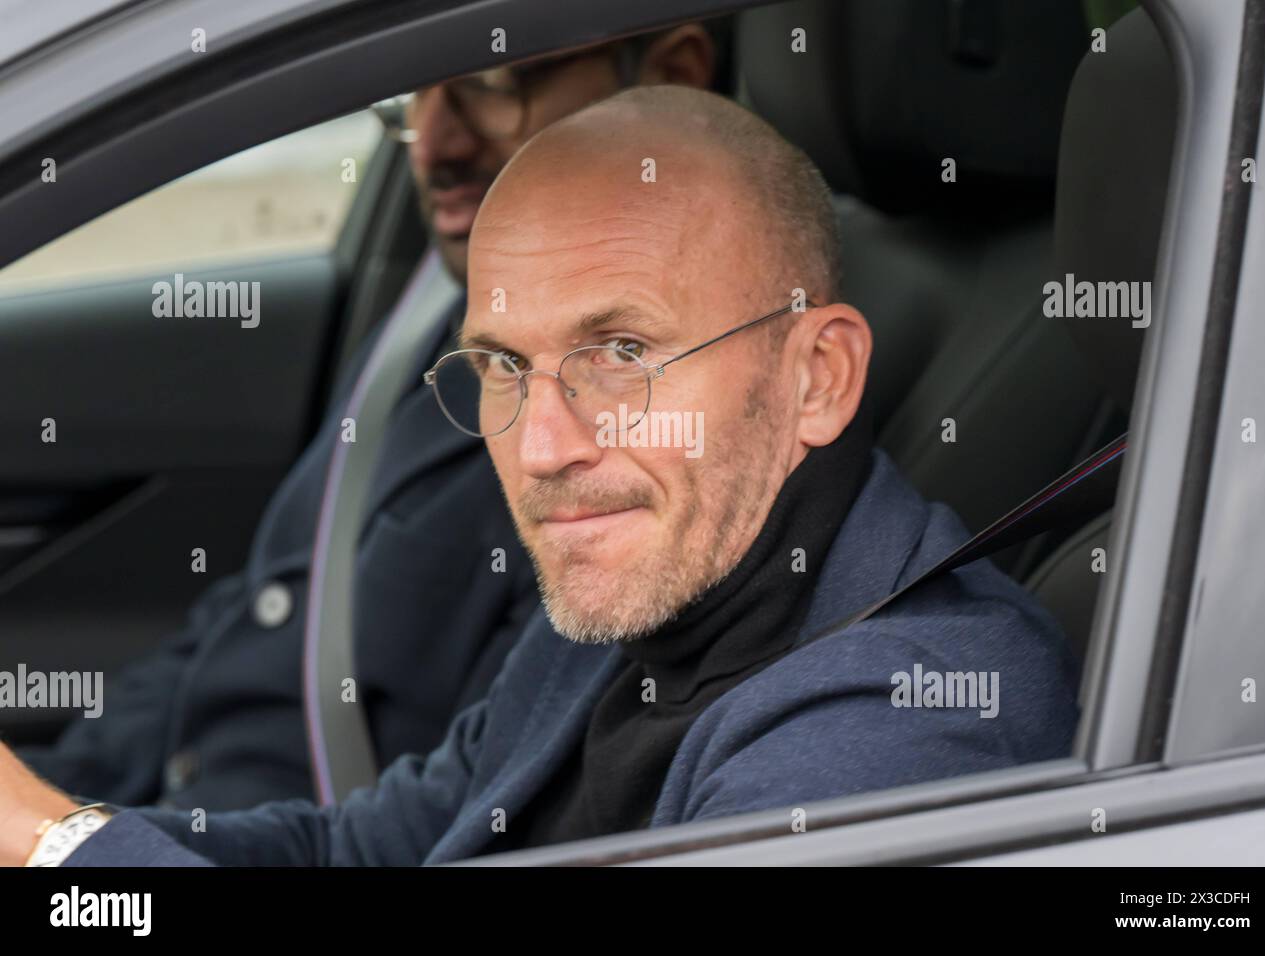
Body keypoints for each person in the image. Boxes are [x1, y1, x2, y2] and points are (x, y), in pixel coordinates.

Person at [0, 85, 1078, 866]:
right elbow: (367, 849)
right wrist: (55, 837)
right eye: (503, 366)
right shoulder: (644, 597)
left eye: (620, 354)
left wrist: (68, 851)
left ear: (818, 377)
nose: (544, 445)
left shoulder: (903, 719)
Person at [13, 26, 719, 812]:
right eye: (414, 90)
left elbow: (458, 822)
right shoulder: (433, 311)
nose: (433, 144)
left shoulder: (653, 460)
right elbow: (264, 600)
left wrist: (75, 847)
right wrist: (58, 796)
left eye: (491, 83)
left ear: (671, 76)